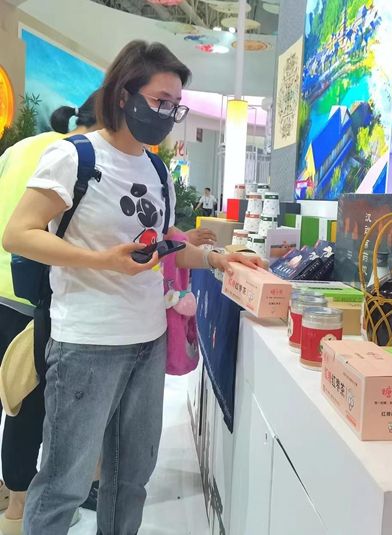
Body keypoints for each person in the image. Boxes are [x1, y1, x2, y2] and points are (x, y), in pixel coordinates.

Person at [2, 40, 261, 535]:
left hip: (147, 341)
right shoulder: (73, 157)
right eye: (160, 100)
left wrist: (216, 258)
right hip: (85, 343)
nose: (168, 114)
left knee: (131, 478)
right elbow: (19, 233)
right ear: (124, 95)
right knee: (63, 483)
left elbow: (164, 245)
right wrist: (100, 260)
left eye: (175, 105)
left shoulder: (157, 170)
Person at [0, 93, 99, 535]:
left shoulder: (22, 147)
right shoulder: (77, 158)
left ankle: (9, 493)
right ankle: (20, 507)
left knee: (8, 393)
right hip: (32, 296)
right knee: (27, 402)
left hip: (2, 286)